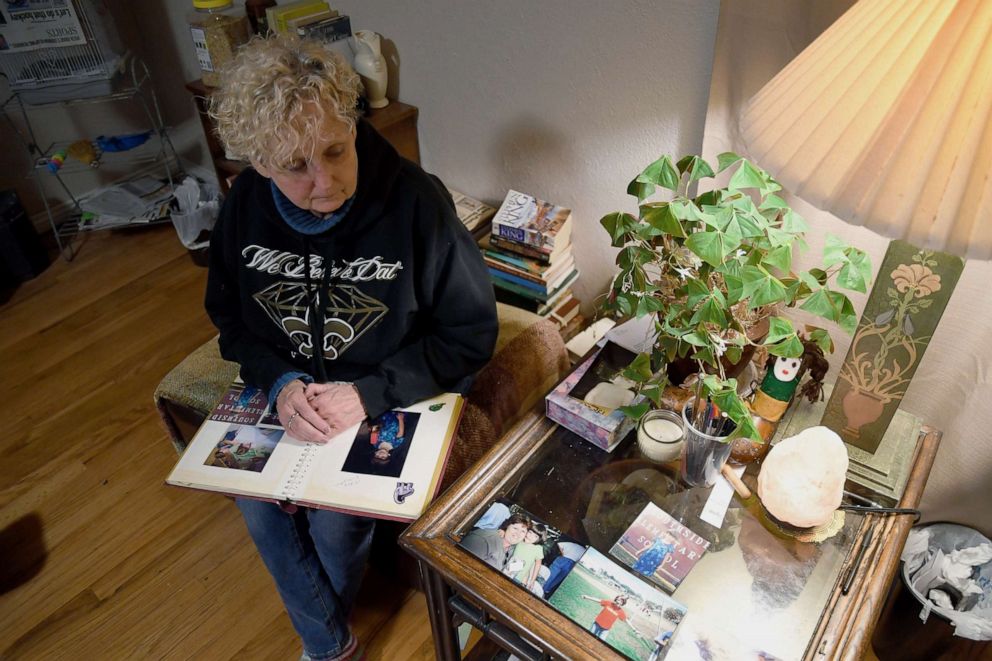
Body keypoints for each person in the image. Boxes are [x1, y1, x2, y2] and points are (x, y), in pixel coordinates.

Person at [205, 35, 498, 661]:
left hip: (384, 389)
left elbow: (471, 336)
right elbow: (229, 316)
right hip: (287, 390)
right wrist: (277, 380)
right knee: (256, 505)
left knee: (337, 523)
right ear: (257, 164)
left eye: (336, 151)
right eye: (294, 166)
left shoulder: (419, 202)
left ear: (353, 122)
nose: (325, 181)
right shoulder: (243, 208)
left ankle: (325, 648)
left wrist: (367, 394)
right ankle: (334, 645)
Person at [460, 514, 531, 571]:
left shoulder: (511, 549)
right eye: (515, 528)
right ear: (506, 526)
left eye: (523, 531)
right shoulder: (484, 540)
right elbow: (461, 567)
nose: (518, 533)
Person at [504, 523, 546, 590]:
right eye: (530, 532)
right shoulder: (520, 540)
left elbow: (538, 565)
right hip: (506, 571)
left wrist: (532, 581)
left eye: (535, 536)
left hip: (518, 578)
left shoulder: (537, 548)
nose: (531, 536)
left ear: (539, 539)